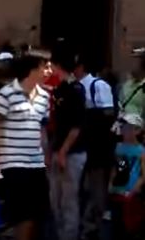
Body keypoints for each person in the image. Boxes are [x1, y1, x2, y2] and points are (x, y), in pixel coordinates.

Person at [0, 50, 52, 240]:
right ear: (33, 69)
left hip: (36, 164)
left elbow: (42, 129)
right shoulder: (5, 94)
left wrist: (46, 155)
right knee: (24, 214)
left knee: (38, 214)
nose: (49, 71)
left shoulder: (44, 97)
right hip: (13, 163)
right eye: (45, 67)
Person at [73, 54, 117, 240]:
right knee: (81, 190)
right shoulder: (73, 87)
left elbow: (107, 115)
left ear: (81, 67)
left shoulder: (98, 86)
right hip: (79, 146)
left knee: (96, 189)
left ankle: (94, 228)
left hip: (97, 148)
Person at [47, 50, 86, 240]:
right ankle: (59, 233)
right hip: (56, 150)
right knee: (55, 199)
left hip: (72, 152)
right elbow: (56, 124)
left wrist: (63, 151)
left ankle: (69, 236)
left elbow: (76, 126)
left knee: (69, 200)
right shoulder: (58, 89)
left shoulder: (76, 90)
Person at [108, 113, 144, 240]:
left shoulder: (141, 151)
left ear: (137, 130)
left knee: (131, 225)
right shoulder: (118, 147)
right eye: (123, 127)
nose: (124, 130)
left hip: (131, 193)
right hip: (117, 190)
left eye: (128, 127)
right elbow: (115, 167)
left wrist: (133, 190)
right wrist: (111, 183)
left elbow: (143, 175)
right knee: (116, 225)